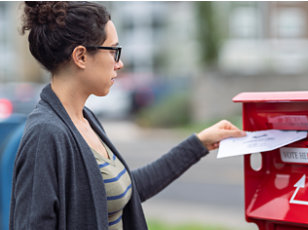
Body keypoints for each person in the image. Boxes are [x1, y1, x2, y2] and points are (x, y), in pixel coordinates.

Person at [10, 2, 245, 230]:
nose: (119, 63)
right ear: (80, 56)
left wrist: (199, 144)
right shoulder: (46, 134)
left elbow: (126, 190)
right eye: (113, 51)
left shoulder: (85, 119)